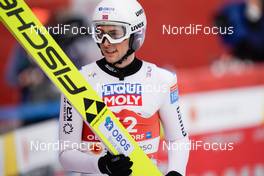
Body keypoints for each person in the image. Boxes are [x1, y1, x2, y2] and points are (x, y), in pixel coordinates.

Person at [59, 0, 189, 176]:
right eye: (99, 33)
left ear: (136, 34)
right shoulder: (78, 81)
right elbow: (66, 154)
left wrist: (176, 172)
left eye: (114, 33)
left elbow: (178, 138)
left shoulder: (162, 80)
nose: (106, 42)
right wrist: (101, 164)